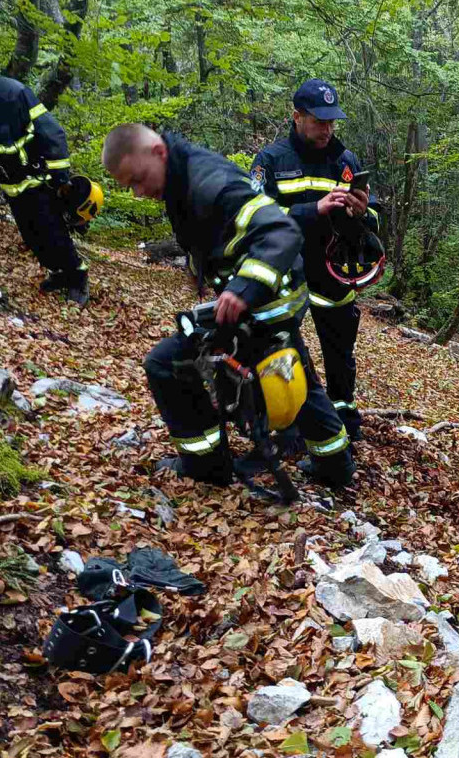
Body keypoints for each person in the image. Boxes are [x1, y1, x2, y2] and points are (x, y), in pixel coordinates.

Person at [100, 124, 355, 488]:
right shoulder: (180, 178)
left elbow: (282, 231)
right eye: (130, 187)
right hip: (267, 296)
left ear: (158, 152)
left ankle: (209, 466)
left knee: (167, 363)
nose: (139, 192)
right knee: (292, 372)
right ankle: (336, 466)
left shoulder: (209, 183)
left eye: (139, 179)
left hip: (263, 299)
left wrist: (241, 290)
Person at [251, 79, 381, 442]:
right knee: (280, 348)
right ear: (297, 117)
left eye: (331, 122)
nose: (327, 129)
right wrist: (314, 209)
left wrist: (361, 213)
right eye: (319, 121)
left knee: (340, 352)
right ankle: (284, 425)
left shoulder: (346, 161)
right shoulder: (271, 160)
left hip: (334, 272)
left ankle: (343, 421)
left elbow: (372, 224)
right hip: (285, 273)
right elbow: (252, 219)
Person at [0, 48, 89, 304]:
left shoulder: (15, 92)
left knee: (52, 232)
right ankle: (57, 273)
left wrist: (61, 178)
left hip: (36, 180)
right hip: (9, 185)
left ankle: (77, 277)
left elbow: (53, 132)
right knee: (31, 236)